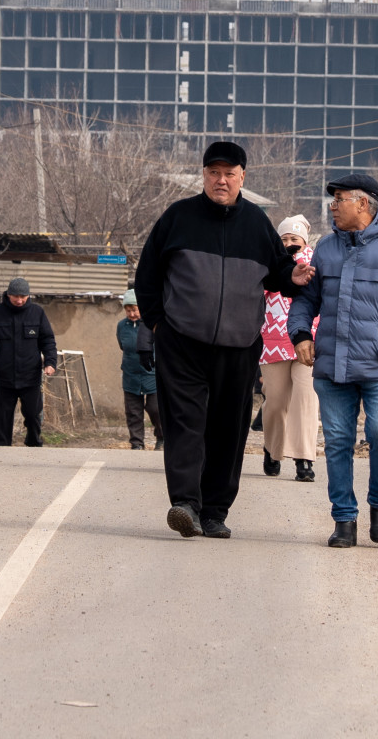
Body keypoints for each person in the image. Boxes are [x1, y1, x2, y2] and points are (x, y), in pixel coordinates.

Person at [134, 141, 314, 540]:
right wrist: (158, 325)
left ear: (242, 177)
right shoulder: (178, 218)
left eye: (230, 174)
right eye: (214, 173)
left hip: (239, 346)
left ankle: (215, 511)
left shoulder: (256, 224)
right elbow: (147, 276)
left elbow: (278, 272)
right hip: (182, 342)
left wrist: (294, 277)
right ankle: (185, 504)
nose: (221, 180)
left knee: (228, 429)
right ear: (203, 175)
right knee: (185, 423)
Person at [288, 173, 378, 549]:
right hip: (332, 367)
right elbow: (305, 299)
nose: (332, 207)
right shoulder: (326, 250)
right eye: (332, 201)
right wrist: (301, 334)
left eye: (338, 200)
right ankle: (344, 519)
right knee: (337, 441)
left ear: (363, 203)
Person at [259, 215, 319, 482]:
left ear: (304, 240)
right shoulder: (270, 262)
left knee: (306, 398)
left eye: (294, 239)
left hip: (308, 339)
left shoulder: (317, 263)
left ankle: (304, 458)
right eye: (284, 239)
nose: (289, 243)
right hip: (273, 343)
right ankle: (272, 449)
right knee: (276, 401)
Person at [0, 277, 59, 447]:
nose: (20, 300)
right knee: (1, 417)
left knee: (32, 414)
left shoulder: (37, 313)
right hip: (5, 376)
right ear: (9, 295)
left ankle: (33, 442)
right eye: (16, 296)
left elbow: (48, 340)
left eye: (23, 296)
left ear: (28, 296)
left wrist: (50, 362)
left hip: (30, 376)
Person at [117, 290, 160, 451]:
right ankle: (137, 443)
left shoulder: (151, 324)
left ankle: (161, 438)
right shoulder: (121, 326)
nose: (132, 314)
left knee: (156, 409)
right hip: (131, 375)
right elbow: (122, 346)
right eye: (128, 310)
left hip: (152, 374)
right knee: (133, 412)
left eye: (135, 309)